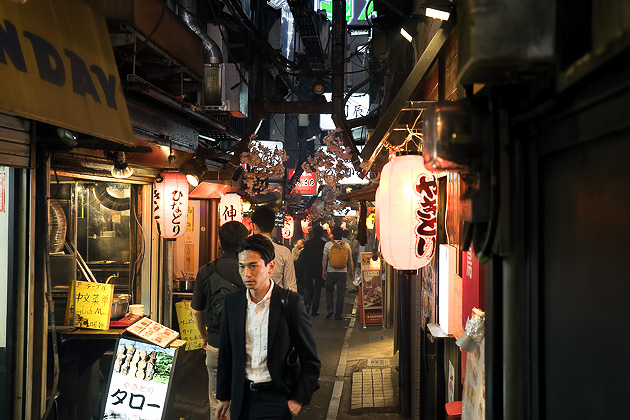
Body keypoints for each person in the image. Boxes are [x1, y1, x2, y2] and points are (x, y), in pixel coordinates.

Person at [215, 234, 321, 420]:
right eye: (242, 267)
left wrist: (298, 399)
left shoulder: (290, 303)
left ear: (270, 266)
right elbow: (226, 353)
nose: (247, 273)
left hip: (276, 398)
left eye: (253, 266)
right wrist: (223, 396)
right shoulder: (232, 303)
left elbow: (310, 359)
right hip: (242, 397)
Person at [192, 221, 249, 419]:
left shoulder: (205, 271)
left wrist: (204, 337)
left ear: (219, 241)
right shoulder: (251, 272)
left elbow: (197, 311)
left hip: (216, 343)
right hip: (245, 346)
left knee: (217, 399)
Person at [251, 206, 297, 292]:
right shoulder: (284, 252)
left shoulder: (245, 251)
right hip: (276, 302)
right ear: (272, 227)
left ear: (254, 226)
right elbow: (290, 286)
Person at [322, 226, 353, 320]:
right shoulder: (346, 245)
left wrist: (323, 270)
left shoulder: (328, 245)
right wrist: (351, 270)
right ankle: (338, 314)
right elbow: (350, 260)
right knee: (341, 293)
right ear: (342, 235)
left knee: (329, 290)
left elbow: (324, 259)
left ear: (333, 234)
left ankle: (330, 309)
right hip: (343, 271)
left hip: (331, 271)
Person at [296, 226, 327, 315]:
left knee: (308, 288)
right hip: (319, 269)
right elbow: (325, 258)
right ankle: (314, 309)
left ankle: (307, 304)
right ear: (322, 233)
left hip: (308, 268)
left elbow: (304, 256)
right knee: (318, 289)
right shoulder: (323, 243)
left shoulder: (308, 243)